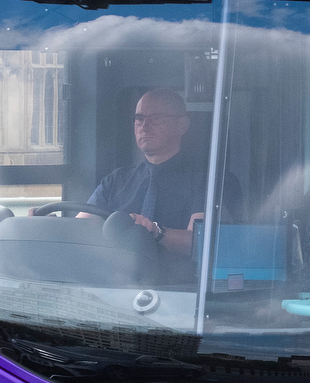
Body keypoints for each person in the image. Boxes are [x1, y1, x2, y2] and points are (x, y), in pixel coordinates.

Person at [81, 88, 213, 258]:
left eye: (156, 119)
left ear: (182, 126)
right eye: (139, 119)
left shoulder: (208, 181)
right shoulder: (116, 180)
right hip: (116, 280)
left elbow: (200, 243)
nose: (144, 126)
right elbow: (80, 228)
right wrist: (46, 220)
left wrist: (154, 231)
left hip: (178, 282)